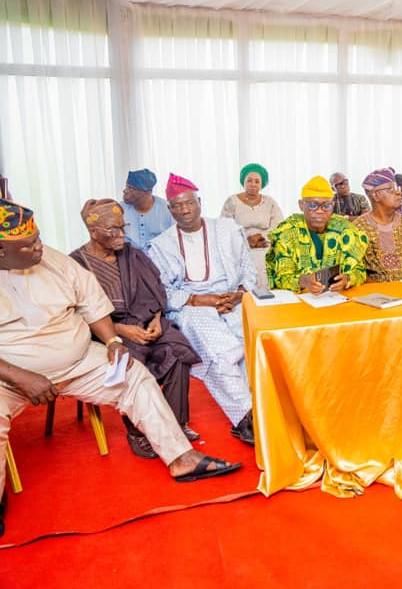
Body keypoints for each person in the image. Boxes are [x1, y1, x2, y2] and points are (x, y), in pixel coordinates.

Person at [0, 199, 241, 536]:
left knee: (135, 374)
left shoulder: (51, 260)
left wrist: (112, 342)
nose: (40, 246)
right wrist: (18, 375)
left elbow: (91, 302)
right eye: (29, 245)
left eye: (38, 236)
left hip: (81, 361)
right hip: (8, 376)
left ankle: (181, 457)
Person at [70, 198, 201, 458]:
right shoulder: (76, 264)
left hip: (147, 322)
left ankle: (174, 424)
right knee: (130, 364)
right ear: (93, 233)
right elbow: (76, 316)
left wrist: (156, 319)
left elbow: (156, 290)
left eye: (123, 227)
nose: (122, 235)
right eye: (113, 231)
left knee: (177, 350)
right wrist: (119, 331)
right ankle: (138, 431)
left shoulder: (133, 254)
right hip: (107, 334)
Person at [148, 174, 256, 445]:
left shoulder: (228, 229)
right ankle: (247, 417)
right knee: (221, 354)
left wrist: (239, 293)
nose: (184, 211)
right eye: (176, 206)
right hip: (192, 305)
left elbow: (248, 268)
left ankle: (264, 410)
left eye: (189, 204)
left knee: (254, 345)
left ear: (199, 202)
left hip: (234, 299)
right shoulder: (161, 244)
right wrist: (202, 301)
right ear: (169, 209)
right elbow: (164, 291)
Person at [267, 176, 368, 293]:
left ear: (333, 205)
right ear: (301, 205)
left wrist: (347, 279)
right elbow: (280, 278)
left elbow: (360, 271)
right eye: (312, 205)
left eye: (326, 206)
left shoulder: (345, 230)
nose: (320, 211)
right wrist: (302, 281)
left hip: (337, 298)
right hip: (298, 301)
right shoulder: (287, 232)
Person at [352, 168, 402, 283]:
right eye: (391, 189)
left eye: (397, 188)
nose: (399, 192)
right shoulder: (359, 228)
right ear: (375, 196)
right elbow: (356, 272)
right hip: (377, 296)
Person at [220, 163, 284, 289]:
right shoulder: (232, 201)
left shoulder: (270, 202)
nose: (253, 184)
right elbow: (224, 229)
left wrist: (262, 238)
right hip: (240, 247)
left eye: (257, 181)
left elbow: (279, 226)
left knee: (270, 261)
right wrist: (245, 240)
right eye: (249, 180)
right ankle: (248, 301)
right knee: (248, 265)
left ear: (262, 184)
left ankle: (269, 299)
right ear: (243, 182)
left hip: (266, 244)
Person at [121, 168, 174, 252]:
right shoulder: (119, 209)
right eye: (126, 186)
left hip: (160, 261)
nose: (125, 191)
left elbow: (175, 241)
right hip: (129, 261)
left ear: (147, 192)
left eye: (132, 188)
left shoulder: (168, 210)